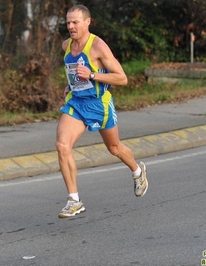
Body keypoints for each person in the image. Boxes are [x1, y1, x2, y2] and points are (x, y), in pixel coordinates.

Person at [56, 5, 148, 218]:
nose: (70, 26)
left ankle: (137, 171)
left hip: (99, 105)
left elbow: (122, 78)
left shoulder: (98, 46)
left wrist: (92, 75)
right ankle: (74, 201)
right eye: (68, 22)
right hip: (76, 104)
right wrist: (71, 84)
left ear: (87, 22)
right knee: (62, 146)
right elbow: (73, 71)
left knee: (114, 148)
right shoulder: (66, 46)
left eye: (75, 22)